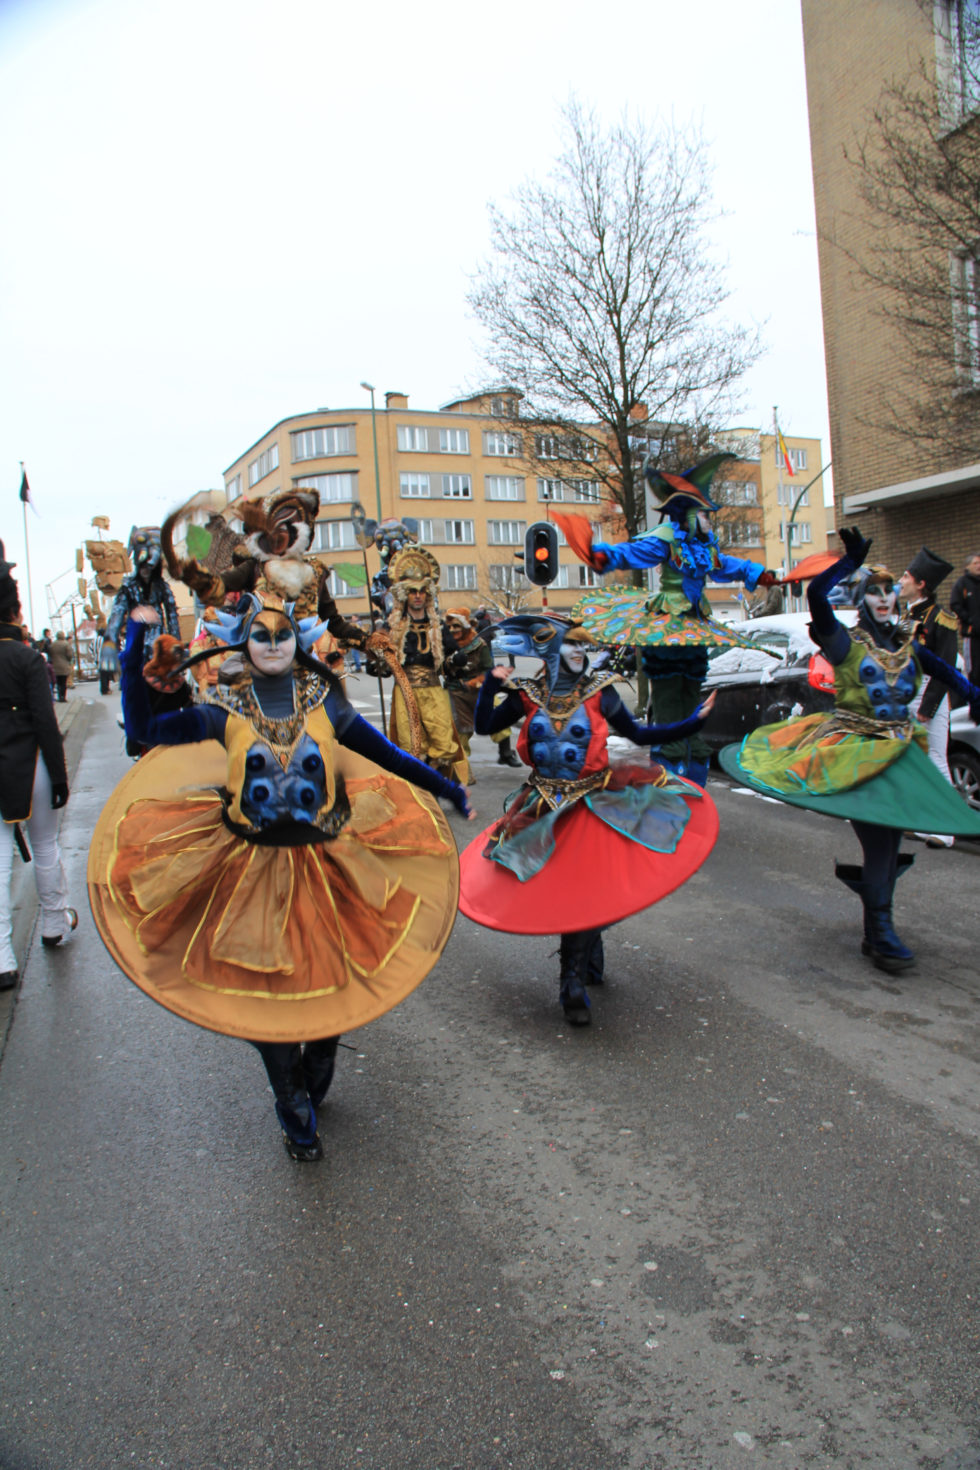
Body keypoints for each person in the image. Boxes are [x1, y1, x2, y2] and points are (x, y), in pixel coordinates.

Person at [89, 593, 473, 1162]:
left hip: (324, 863)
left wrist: (448, 788)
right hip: (247, 868)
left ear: (298, 643)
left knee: (328, 982)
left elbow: (390, 757)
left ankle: (317, 1061)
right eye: (260, 635)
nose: (272, 644)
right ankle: (291, 1102)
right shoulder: (223, 712)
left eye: (282, 634)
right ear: (243, 645)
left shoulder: (328, 707)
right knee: (265, 993)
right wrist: (132, 653)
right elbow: (144, 728)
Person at [720, 529, 980, 974]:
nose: (884, 598)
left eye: (889, 591)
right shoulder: (845, 644)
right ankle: (882, 933)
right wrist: (847, 563)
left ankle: (875, 928)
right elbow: (816, 597)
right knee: (880, 845)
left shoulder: (910, 647)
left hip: (900, 757)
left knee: (890, 844)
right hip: (855, 755)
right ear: (863, 600)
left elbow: (955, 679)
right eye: (874, 591)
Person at [459, 616, 718, 1025]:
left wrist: (694, 723)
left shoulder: (600, 691)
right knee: (561, 892)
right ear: (550, 651)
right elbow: (483, 726)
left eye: (583, 645)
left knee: (588, 888)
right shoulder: (528, 694)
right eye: (571, 645)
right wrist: (491, 684)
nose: (580, 652)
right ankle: (586, 956)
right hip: (543, 807)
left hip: (592, 803)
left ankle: (572, 982)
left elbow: (638, 734)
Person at [557, 453, 777, 787]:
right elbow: (635, 552)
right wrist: (606, 555)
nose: (708, 520)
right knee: (669, 697)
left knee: (691, 690)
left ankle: (692, 758)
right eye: (704, 513)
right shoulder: (667, 538)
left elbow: (726, 565)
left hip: (694, 625)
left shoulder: (705, 547)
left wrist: (759, 574)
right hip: (668, 624)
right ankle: (668, 768)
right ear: (688, 514)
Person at [0, 545, 76, 988]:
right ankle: (54, 923)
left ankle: (2, 957)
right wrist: (60, 774)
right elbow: (46, 722)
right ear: (14, 610)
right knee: (45, 845)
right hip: (30, 762)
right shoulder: (28, 658)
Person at [381, 545, 469, 782]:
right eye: (412, 591)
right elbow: (384, 663)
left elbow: (450, 662)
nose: (417, 596)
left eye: (421, 591)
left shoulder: (437, 626)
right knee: (411, 745)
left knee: (443, 742)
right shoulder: (394, 627)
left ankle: (432, 777)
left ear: (428, 594)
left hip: (433, 690)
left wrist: (456, 660)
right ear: (404, 595)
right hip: (405, 692)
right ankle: (422, 789)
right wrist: (378, 662)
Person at [898, 547, 958, 848]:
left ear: (921, 584)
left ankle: (947, 828)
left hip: (928, 690)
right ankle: (924, 823)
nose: (900, 581)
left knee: (936, 758)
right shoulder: (905, 616)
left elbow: (946, 666)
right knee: (917, 760)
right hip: (907, 690)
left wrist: (929, 704)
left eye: (906, 577)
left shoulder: (942, 618)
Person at [950, 550, 980, 677]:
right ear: (967, 566)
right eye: (976, 563)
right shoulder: (962, 583)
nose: (979, 566)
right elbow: (955, 604)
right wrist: (970, 620)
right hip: (971, 635)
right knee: (974, 670)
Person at [48, 631, 73, 703]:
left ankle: (59, 696)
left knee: (58, 682)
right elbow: (69, 655)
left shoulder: (53, 644)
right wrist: (68, 660)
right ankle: (63, 697)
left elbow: (50, 654)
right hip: (64, 666)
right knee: (63, 682)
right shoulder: (66, 644)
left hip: (55, 666)